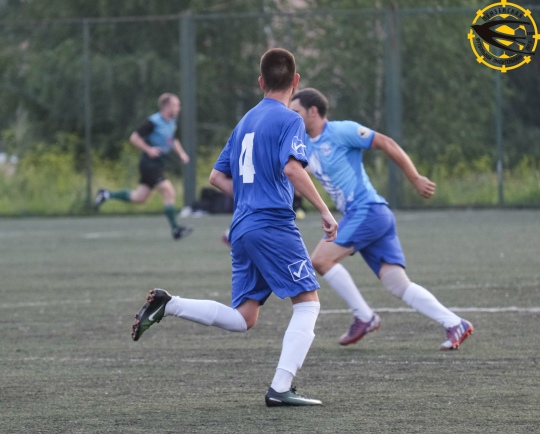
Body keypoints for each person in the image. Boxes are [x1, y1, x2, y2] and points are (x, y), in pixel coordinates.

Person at [131, 49, 338, 406]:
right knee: (307, 303)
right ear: (295, 81)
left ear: (260, 82)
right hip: (272, 224)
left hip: (242, 227)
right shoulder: (291, 120)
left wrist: (250, 196)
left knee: (244, 318)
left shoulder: (245, 122)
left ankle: (170, 304)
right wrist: (324, 210)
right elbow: (292, 169)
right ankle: (280, 388)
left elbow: (216, 177)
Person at [289, 88, 473, 351]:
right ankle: (455, 323)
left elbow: (386, 143)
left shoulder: (341, 131)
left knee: (320, 259)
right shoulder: (305, 145)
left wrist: (415, 178)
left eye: (296, 112)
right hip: (369, 216)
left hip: (367, 211)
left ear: (313, 112)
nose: (292, 117)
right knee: (396, 283)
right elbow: (295, 174)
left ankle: (364, 316)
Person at [94, 93, 193, 240]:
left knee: (139, 197)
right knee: (168, 191)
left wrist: (182, 154)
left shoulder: (172, 121)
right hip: (149, 164)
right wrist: (148, 149)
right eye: (176, 105)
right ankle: (175, 229)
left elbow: (173, 139)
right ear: (167, 106)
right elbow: (134, 137)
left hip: (157, 163)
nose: (179, 108)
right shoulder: (153, 121)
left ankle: (106, 194)